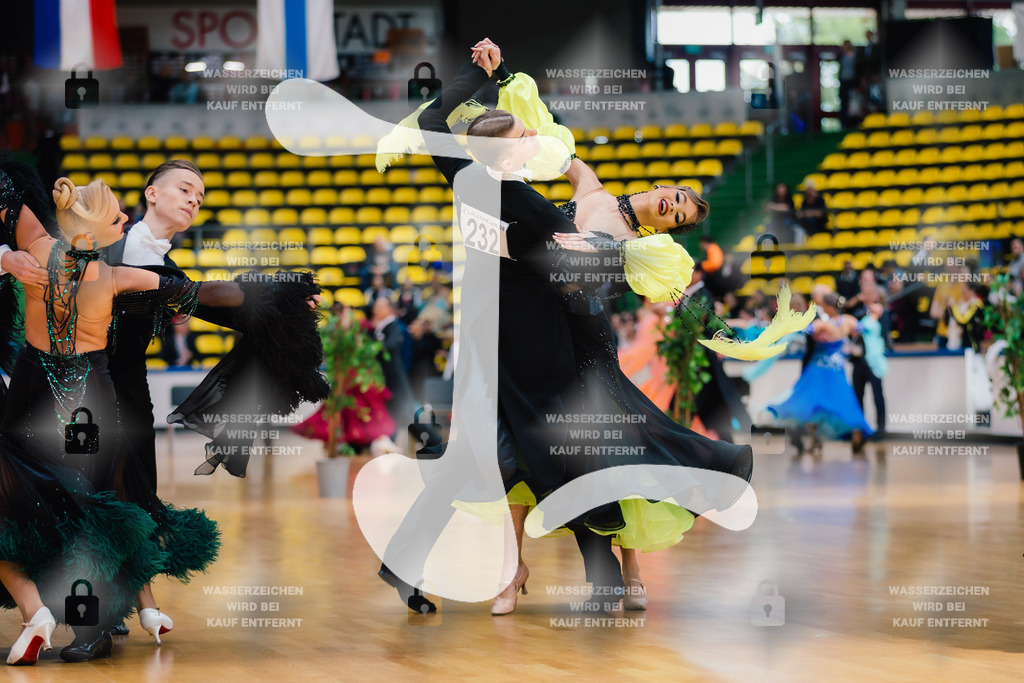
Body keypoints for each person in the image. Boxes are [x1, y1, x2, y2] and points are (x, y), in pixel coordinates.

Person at [0, 173, 219, 664]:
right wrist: (276, 298)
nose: (125, 219)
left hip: (32, 397)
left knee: (26, 498)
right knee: (91, 508)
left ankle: (41, 611)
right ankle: (94, 627)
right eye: (117, 216)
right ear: (91, 229)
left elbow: (6, 195)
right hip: (87, 406)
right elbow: (197, 292)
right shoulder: (117, 276)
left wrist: (5, 257)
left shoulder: (37, 250)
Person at [768, 292, 874, 455]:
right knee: (845, 403)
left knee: (812, 404)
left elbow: (803, 330)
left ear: (829, 307)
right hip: (838, 369)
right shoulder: (848, 320)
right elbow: (865, 329)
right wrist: (872, 316)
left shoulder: (823, 324)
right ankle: (856, 433)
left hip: (818, 370)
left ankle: (815, 440)